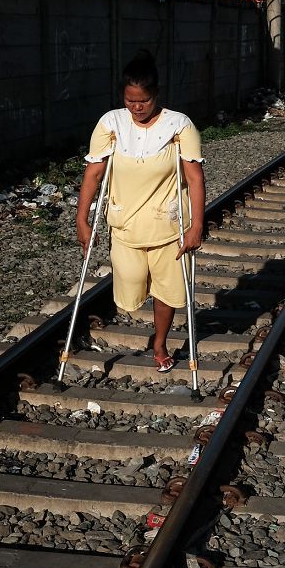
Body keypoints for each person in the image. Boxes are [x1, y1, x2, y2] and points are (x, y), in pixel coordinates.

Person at [76, 50, 205, 373]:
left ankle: (160, 342)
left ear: (156, 95)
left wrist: (196, 226)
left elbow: (193, 176)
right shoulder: (111, 123)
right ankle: (150, 322)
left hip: (168, 224)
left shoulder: (179, 125)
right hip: (126, 224)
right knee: (130, 288)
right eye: (130, 101)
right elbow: (93, 173)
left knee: (168, 291)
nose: (136, 108)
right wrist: (82, 218)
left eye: (143, 101)